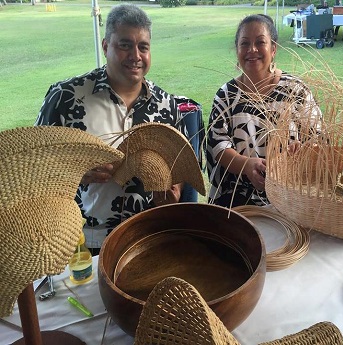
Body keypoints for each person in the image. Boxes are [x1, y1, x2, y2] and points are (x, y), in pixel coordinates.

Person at [35, 4, 185, 253]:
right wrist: (75, 174)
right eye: (125, 45)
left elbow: (178, 170)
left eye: (143, 47)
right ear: (106, 46)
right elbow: (35, 166)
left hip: (147, 236)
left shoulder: (167, 106)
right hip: (82, 242)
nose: (135, 55)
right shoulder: (65, 98)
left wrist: (172, 191)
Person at [206, 14, 322, 208]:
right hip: (237, 201)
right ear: (237, 50)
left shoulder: (296, 90)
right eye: (244, 44)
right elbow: (217, 145)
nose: (252, 50)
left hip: (291, 198)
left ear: (273, 48)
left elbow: (318, 138)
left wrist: (303, 151)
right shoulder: (226, 96)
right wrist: (245, 165)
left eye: (260, 42)